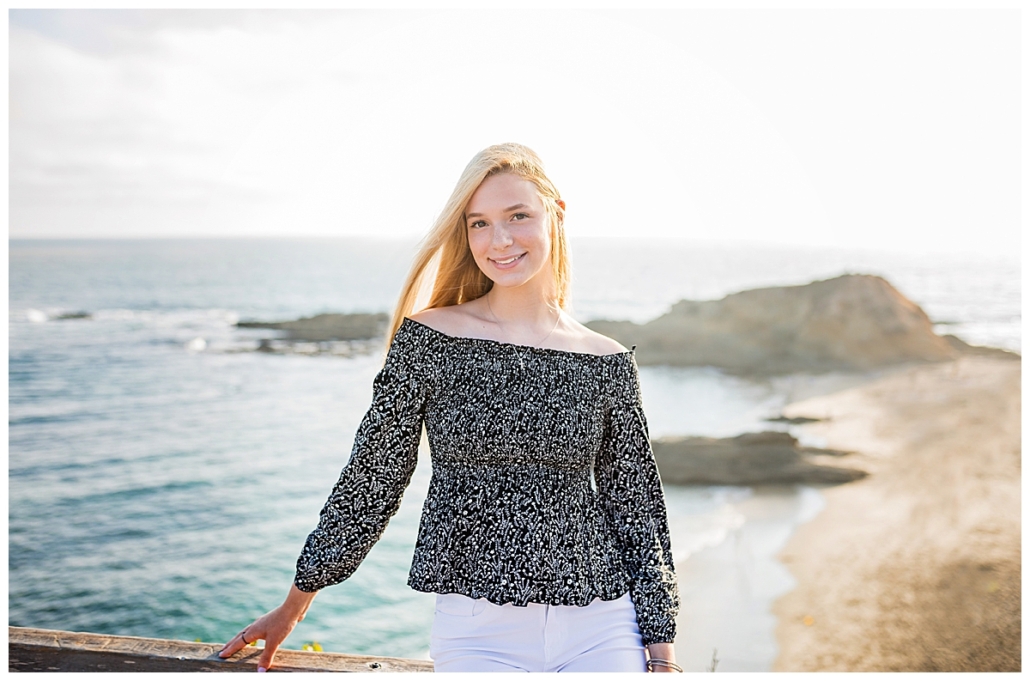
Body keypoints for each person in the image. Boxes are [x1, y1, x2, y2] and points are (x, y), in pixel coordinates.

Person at [218, 143, 682, 673]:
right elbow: (374, 476)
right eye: (478, 223)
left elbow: (638, 509)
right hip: (478, 632)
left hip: (603, 626)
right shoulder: (429, 339)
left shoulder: (608, 360)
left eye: (517, 216)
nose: (499, 240)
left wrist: (662, 655)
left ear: (556, 212)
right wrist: (295, 605)